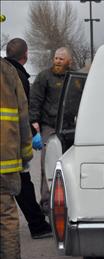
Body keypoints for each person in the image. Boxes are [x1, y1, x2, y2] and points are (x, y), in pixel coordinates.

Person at [5, 38, 53, 239]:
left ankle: (37, 224)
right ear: (26, 55)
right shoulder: (18, 77)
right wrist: (29, 144)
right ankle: (37, 225)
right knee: (23, 183)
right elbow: (22, 114)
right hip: (10, 144)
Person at [1, 57, 33, 259]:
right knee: (6, 219)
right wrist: (25, 154)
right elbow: (23, 117)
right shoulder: (8, 72)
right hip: (6, 163)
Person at [29, 47, 73, 214]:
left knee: (70, 166)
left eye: (61, 59)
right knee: (48, 164)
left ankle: (69, 199)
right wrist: (35, 125)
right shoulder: (44, 77)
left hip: (71, 128)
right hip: (50, 126)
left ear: (69, 61)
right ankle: (47, 202)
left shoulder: (74, 79)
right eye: (55, 58)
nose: (57, 61)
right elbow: (35, 101)